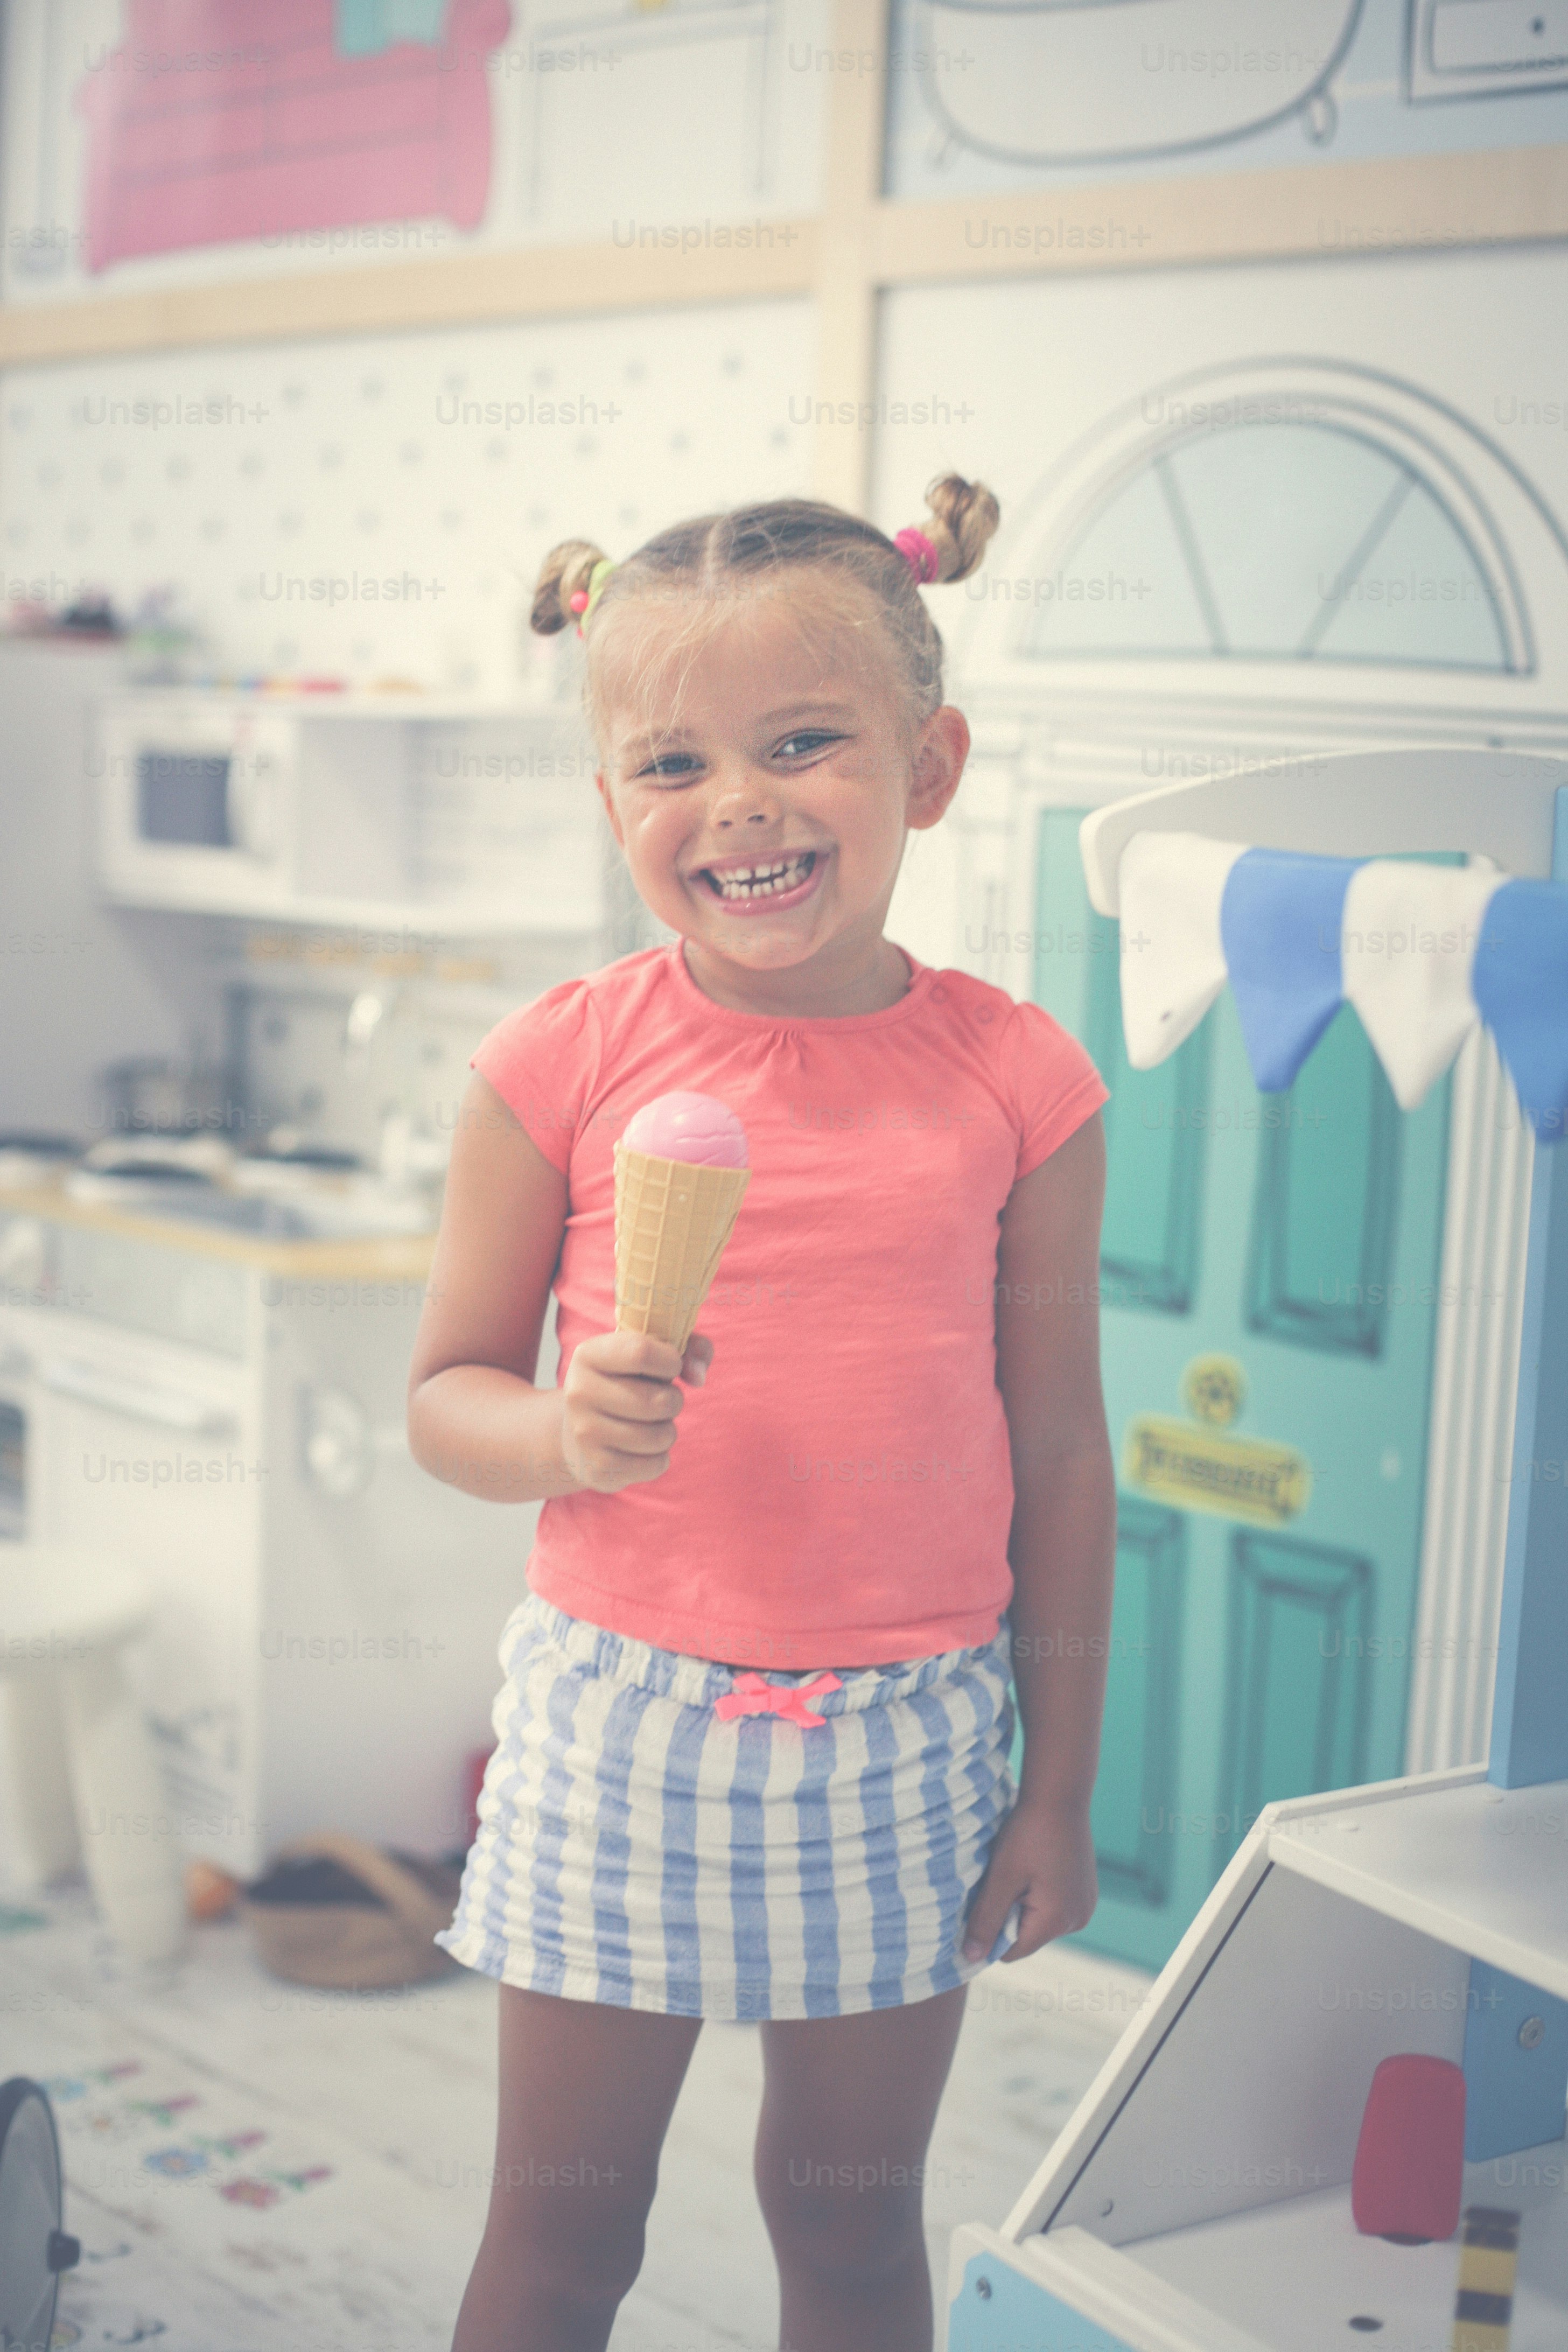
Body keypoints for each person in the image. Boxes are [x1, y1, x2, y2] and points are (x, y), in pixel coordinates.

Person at [407, 475, 1117, 2352]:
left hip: (908, 1742)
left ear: (931, 760)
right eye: (674, 763)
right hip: (617, 1730)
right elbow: (445, 1401)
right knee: (565, 2240)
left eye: (805, 743)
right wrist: (562, 1434)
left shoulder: (1018, 1077)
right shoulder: (557, 1060)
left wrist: (1058, 1784)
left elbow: (1058, 1452)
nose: (740, 802)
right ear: (614, 804)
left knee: (854, 2224)